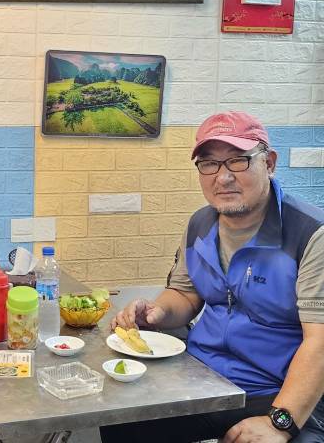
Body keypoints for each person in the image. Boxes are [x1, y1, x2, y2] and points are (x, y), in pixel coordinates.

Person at [101, 111, 324, 443]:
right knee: (122, 419)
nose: (223, 177)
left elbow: (319, 342)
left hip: (278, 391)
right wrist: (158, 311)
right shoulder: (200, 224)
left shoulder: (310, 234)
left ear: (269, 163)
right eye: (209, 164)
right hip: (204, 378)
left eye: (237, 160)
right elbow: (185, 293)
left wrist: (280, 423)